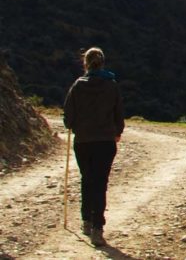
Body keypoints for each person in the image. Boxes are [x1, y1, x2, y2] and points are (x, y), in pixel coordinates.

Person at [63, 47, 124, 247]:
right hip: (105, 142)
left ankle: (86, 221)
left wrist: (74, 125)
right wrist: (117, 132)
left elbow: (68, 118)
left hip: (83, 142)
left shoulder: (78, 86)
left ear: (85, 63)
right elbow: (118, 114)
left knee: (87, 179)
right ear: (102, 63)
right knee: (100, 183)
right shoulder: (111, 85)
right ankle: (98, 227)